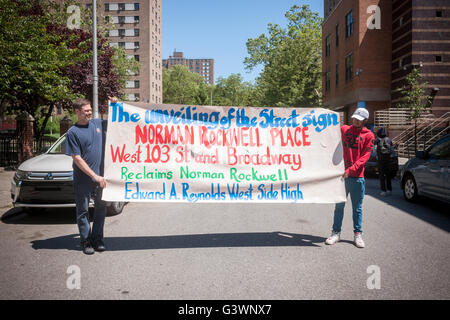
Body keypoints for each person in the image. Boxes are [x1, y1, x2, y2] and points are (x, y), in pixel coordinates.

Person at [325, 108, 375, 248]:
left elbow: (364, 157)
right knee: (339, 206)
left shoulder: (369, 135)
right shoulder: (344, 129)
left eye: (359, 119)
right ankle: (336, 233)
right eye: (354, 118)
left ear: (365, 121)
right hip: (342, 176)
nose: (355, 121)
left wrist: (350, 170)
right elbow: (327, 131)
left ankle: (358, 234)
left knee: (357, 208)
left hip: (357, 177)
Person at [65, 98, 107, 255]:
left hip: (101, 179)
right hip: (83, 180)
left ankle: (97, 239)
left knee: (101, 209)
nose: (89, 113)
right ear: (77, 112)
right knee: (83, 211)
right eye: (86, 111)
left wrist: (115, 105)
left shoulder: (97, 124)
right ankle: (86, 241)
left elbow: (118, 121)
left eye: (90, 110)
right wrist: (94, 176)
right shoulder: (72, 133)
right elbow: (77, 158)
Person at [375, 127, 394, 196]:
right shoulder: (389, 140)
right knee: (388, 175)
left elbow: (374, 149)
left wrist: (377, 155)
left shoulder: (377, 140)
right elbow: (392, 150)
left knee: (382, 175)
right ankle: (389, 189)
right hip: (388, 159)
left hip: (380, 160)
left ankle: (383, 190)